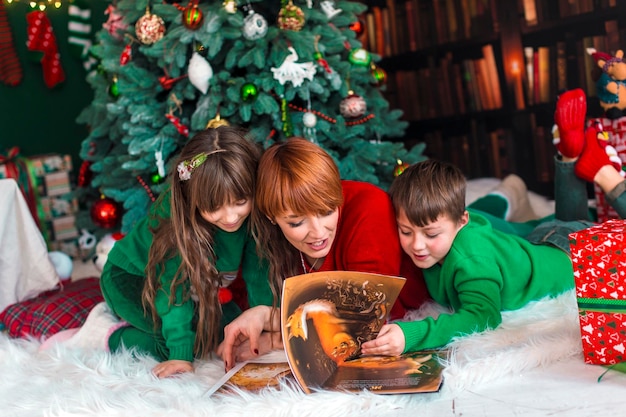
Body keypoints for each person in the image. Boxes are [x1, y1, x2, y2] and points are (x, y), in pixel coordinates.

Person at [360, 88, 626, 356]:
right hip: (539, 240)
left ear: (462, 221)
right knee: (568, 219)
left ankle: (601, 172)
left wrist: (412, 334)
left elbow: (483, 317)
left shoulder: (470, 260)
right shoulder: (443, 239)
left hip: (575, 257)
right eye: (406, 231)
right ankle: (569, 158)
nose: (417, 245)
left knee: (577, 223)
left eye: (430, 234)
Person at [48, 126, 274, 378]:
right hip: (133, 278)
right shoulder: (175, 220)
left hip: (197, 286)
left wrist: (263, 327)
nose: (231, 217)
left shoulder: (254, 213)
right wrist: (179, 354)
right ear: (193, 198)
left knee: (229, 332)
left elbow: (258, 273)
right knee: (177, 346)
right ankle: (104, 333)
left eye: (240, 202)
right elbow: (170, 288)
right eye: (214, 208)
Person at [217, 137, 431, 370]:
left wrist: (275, 336)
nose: (318, 233)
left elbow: (367, 319)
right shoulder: (266, 237)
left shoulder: (370, 207)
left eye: (328, 211)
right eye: (297, 223)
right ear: (271, 217)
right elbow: (242, 292)